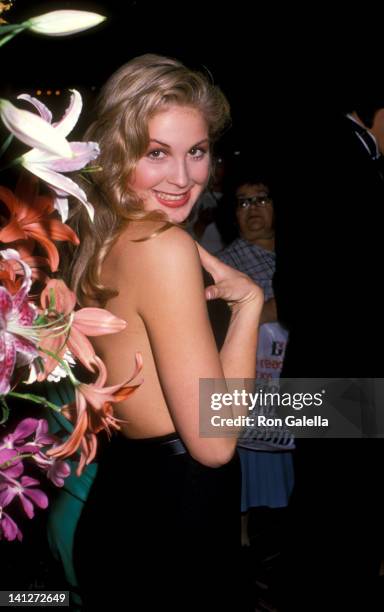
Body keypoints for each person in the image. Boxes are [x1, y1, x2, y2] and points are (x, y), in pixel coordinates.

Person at [63, 54, 263, 611]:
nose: (183, 177)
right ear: (119, 152)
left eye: (196, 152)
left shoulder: (95, 235)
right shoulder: (164, 247)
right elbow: (217, 443)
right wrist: (248, 304)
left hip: (127, 501)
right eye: (157, 153)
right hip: (176, 522)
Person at [274, 78, 384, 609]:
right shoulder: (330, 156)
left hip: (345, 375)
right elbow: (305, 292)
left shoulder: (351, 155)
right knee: (335, 529)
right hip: (336, 379)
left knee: (342, 527)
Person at [218, 171, 294, 547]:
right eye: (243, 202)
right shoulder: (225, 264)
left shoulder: (297, 254)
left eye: (261, 199)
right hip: (252, 382)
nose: (252, 209)